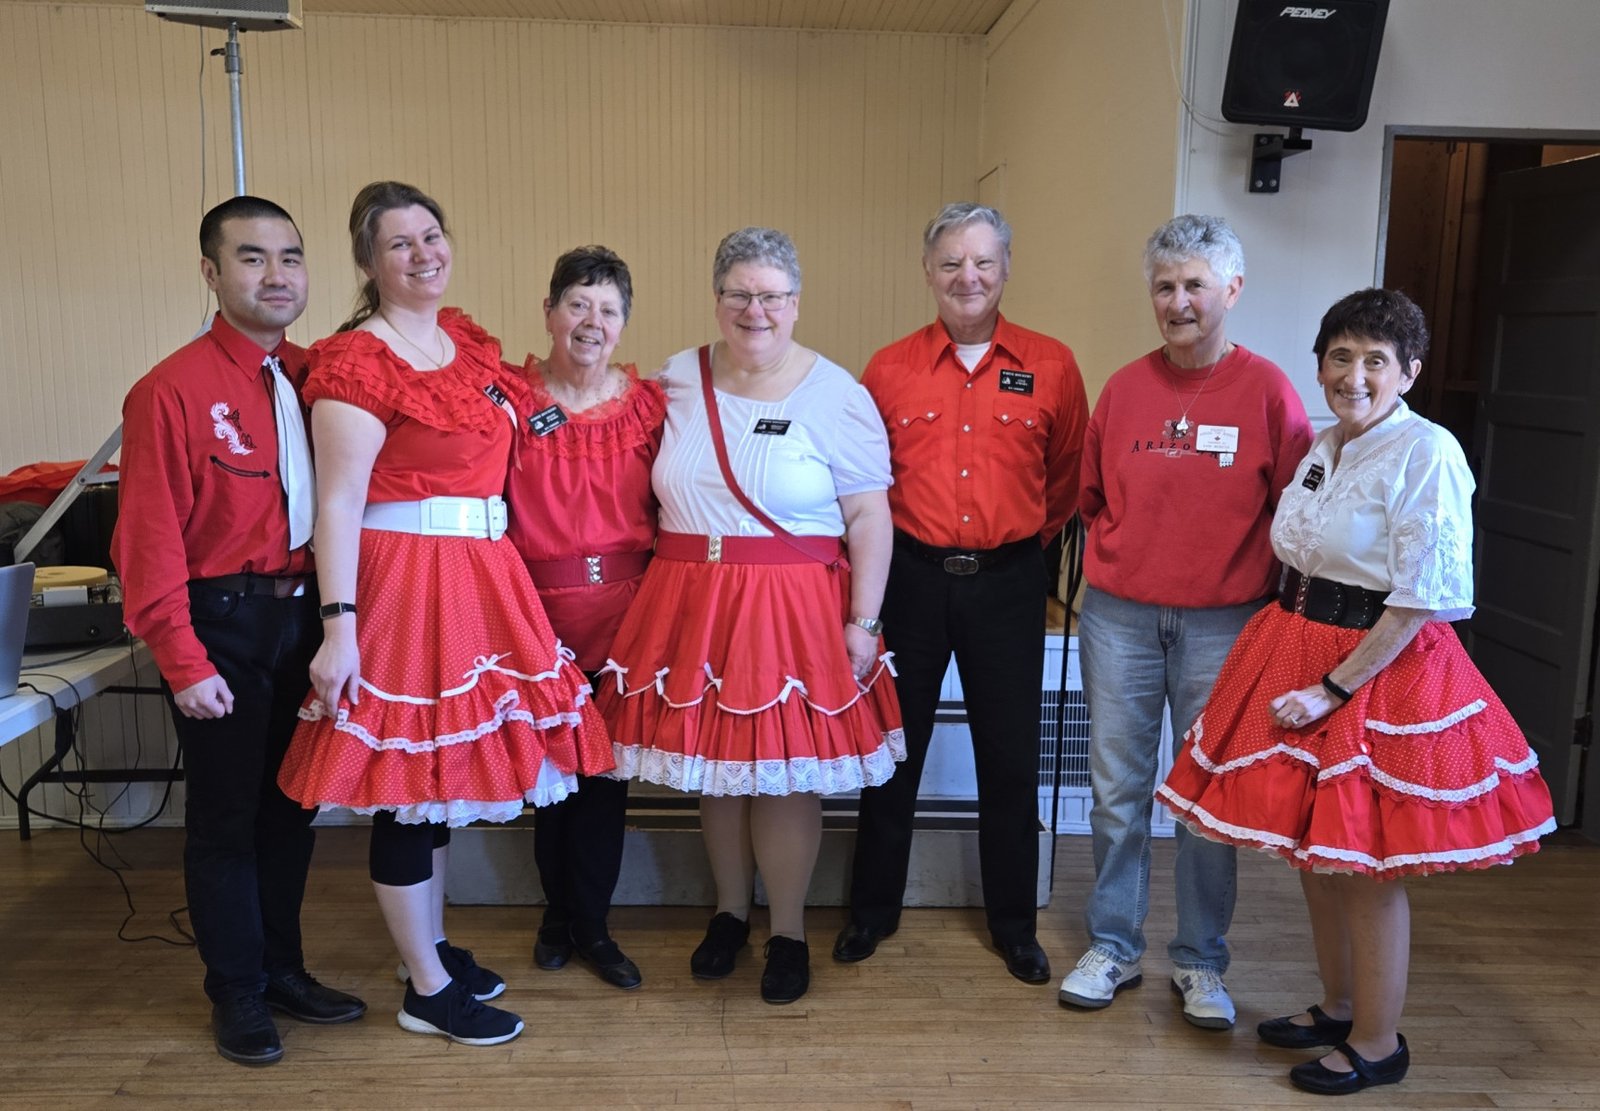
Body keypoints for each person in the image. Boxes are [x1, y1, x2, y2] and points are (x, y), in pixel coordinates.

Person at [1157, 288, 1557, 1094]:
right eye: (1341, 356)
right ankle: (1340, 1005)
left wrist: (1332, 688)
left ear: (1409, 372)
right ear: (1321, 366)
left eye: (1377, 359)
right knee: (1317, 854)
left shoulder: (1428, 451)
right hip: (1298, 640)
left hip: (1377, 665)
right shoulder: (1324, 444)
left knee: (1364, 862)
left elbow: (1422, 596)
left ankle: (1378, 1042)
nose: (1355, 374)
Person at [275, 182, 611, 1046]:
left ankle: (425, 949)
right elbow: (338, 503)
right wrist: (340, 627)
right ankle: (427, 988)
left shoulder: (463, 343)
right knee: (405, 786)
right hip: (405, 578)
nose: (423, 253)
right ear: (368, 261)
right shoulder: (357, 361)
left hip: (478, 572)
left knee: (438, 781)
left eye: (431, 235)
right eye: (400, 243)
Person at [594, 227, 902, 1005]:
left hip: (791, 606)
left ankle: (788, 930)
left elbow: (869, 515)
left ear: (795, 303)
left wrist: (864, 621)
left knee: (784, 776)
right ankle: (729, 912)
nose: (754, 310)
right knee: (719, 770)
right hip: (690, 596)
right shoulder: (674, 380)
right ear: (717, 299)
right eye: (739, 294)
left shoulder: (838, 394)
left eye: (770, 296)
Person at [112, 195, 366, 1066]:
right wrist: (182, 661)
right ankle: (238, 990)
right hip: (220, 625)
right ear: (212, 273)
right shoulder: (169, 390)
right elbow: (147, 542)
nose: (277, 274)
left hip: (308, 618)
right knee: (225, 819)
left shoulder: (320, 377)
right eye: (252, 258)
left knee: (293, 809)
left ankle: (283, 968)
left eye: (290, 257)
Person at [1060, 214, 1312, 1026]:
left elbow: (1299, 517)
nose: (1178, 301)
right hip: (1119, 620)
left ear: (1231, 289)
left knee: (1207, 796)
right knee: (1116, 791)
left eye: (1195, 285)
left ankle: (1201, 960)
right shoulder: (1124, 388)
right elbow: (1091, 499)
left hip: (1226, 623)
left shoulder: (1269, 391)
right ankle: (1113, 945)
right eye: (1165, 286)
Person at [837, 202, 1087, 985]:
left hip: (1009, 582)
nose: (967, 276)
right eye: (951, 262)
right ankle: (872, 909)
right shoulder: (888, 369)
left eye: (982, 261)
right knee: (894, 752)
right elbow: (864, 484)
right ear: (928, 271)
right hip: (909, 579)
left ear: (1006, 267)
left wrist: (1017, 548)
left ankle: (1014, 924)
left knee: (1009, 758)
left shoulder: (1052, 364)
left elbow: (1065, 480)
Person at [504, 246, 665, 991]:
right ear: (549, 312)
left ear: (624, 324)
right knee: (550, 776)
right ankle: (555, 915)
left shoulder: (651, 406)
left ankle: (594, 925)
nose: (591, 321)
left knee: (604, 778)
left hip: (629, 616)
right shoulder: (506, 399)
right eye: (577, 304)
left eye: (608, 309)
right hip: (534, 616)